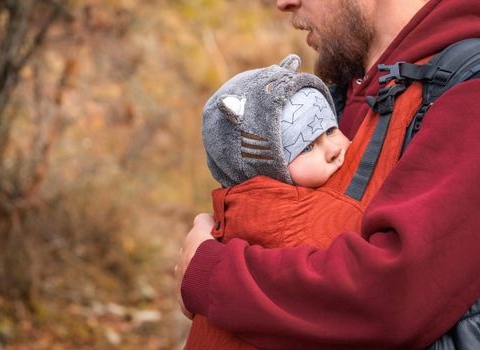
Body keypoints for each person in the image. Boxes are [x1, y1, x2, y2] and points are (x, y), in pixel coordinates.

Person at [176, 0, 480, 349]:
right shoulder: (344, 95)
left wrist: (210, 275)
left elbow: (393, 295)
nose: (284, 3)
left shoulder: (469, 91)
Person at [186, 54, 358, 349]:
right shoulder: (283, 214)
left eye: (331, 130)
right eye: (306, 146)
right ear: (266, 166)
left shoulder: (248, 204)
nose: (332, 149)